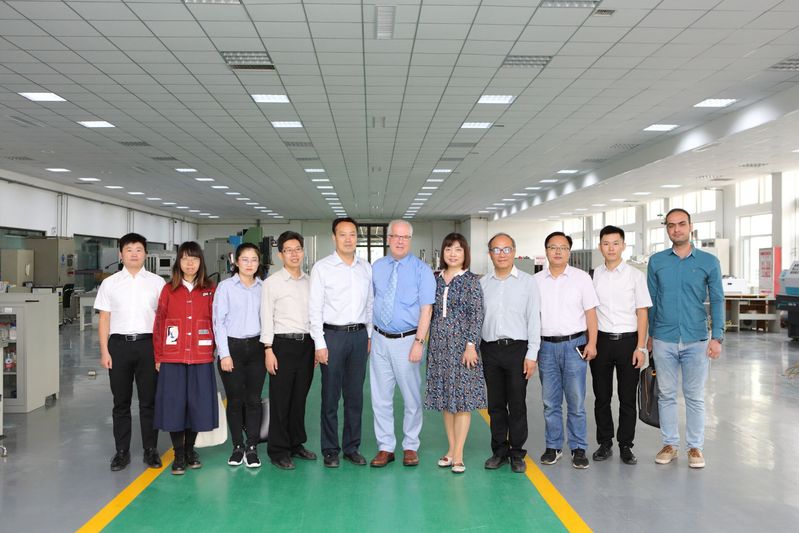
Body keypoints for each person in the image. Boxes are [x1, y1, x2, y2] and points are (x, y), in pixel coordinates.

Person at [647, 208, 724, 469]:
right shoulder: (657, 261)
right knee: (666, 394)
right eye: (671, 225)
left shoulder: (709, 261)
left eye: (681, 224)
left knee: (694, 396)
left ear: (691, 226)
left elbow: (717, 299)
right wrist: (649, 335)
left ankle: (695, 447)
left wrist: (718, 337)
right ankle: (670, 444)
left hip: (696, 339)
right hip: (663, 337)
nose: (676, 229)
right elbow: (651, 301)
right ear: (666, 229)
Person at [95, 233, 166, 471]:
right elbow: (104, 319)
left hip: (149, 345)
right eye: (129, 250)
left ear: (145, 253)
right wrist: (104, 351)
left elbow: (164, 320)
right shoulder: (110, 283)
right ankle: (122, 452)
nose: (134, 254)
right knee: (121, 402)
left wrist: (161, 353)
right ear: (120, 254)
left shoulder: (157, 283)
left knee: (149, 401)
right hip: (119, 346)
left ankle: (150, 450)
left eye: (138, 249)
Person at [369, 220, 435, 468]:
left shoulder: (422, 270)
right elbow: (370, 303)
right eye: (395, 236)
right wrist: (369, 336)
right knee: (380, 397)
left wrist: (419, 341)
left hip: (407, 340)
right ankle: (385, 447)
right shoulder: (377, 267)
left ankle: (410, 445)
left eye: (404, 237)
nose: (399, 241)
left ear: (410, 240)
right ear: (388, 239)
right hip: (379, 339)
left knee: (411, 397)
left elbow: (426, 309)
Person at [309, 217, 373, 468]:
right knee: (330, 396)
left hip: (359, 336)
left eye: (353, 234)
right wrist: (319, 343)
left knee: (355, 396)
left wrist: (368, 335)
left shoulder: (365, 268)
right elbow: (315, 308)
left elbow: (370, 304)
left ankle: (351, 447)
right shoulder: (322, 268)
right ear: (334, 238)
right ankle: (330, 449)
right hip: (332, 337)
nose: (348, 239)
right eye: (343, 234)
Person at [533, 231, 599, 469]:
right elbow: (531, 317)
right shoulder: (535, 281)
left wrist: (592, 343)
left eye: (563, 247)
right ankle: (553, 446)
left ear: (569, 252)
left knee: (576, 401)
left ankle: (578, 448)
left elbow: (591, 313)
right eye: (553, 247)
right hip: (546, 347)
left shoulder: (582, 278)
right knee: (550, 402)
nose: (558, 251)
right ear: (546, 251)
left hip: (574, 346)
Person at [152, 241, 218, 475]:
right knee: (175, 406)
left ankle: (190, 450)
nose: (190, 263)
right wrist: (158, 356)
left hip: (201, 357)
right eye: (185, 258)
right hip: (173, 357)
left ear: (201, 262)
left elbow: (217, 321)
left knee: (197, 406)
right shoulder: (168, 290)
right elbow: (159, 324)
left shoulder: (210, 289)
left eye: (195, 258)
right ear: (178, 262)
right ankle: (178, 454)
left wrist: (217, 351)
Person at [425, 233, 486, 474]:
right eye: (448, 248)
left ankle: (459, 454)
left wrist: (471, 345)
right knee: (446, 400)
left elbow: (477, 315)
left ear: (465, 254)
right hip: (439, 347)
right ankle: (450, 449)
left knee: (462, 401)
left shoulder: (471, 281)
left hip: (463, 348)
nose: (453, 253)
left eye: (458, 249)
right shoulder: (435, 279)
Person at [590, 226, 652, 466]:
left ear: (623, 246)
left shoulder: (635, 276)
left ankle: (626, 445)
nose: (611, 248)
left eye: (615, 243)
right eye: (606, 243)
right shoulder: (594, 275)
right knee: (601, 396)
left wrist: (641, 347)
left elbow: (642, 313)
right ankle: (605, 442)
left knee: (627, 398)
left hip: (628, 342)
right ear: (600, 247)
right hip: (602, 342)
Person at [480, 233, 541, 474]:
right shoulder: (483, 284)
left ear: (514, 252)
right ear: (490, 254)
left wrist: (532, 354)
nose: (502, 254)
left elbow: (534, 319)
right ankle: (499, 451)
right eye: (496, 250)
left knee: (516, 403)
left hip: (518, 350)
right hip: (490, 350)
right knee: (495, 404)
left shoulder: (528, 283)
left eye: (506, 249)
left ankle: (517, 453)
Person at [261, 231, 317, 470]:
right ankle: (278, 450)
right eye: (288, 250)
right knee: (281, 400)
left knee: (299, 398)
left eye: (298, 249)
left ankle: (296, 443)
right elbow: (266, 317)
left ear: (303, 252)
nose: (294, 254)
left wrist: (316, 346)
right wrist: (268, 349)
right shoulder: (271, 283)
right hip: (281, 346)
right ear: (280, 255)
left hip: (307, 345)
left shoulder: (311, 282)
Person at [213, 243, 266, 468]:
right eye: (245, 259)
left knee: (253, 400)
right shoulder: (225, 287)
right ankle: (237, 446)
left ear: (259, 262)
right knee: (235, 401)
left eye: (254, 259)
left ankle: (252, 447)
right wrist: (224, 354)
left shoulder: (264, 287)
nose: (249, 264)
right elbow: (219, 322)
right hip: (232, 348)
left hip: (257, 348)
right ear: (236, 261)